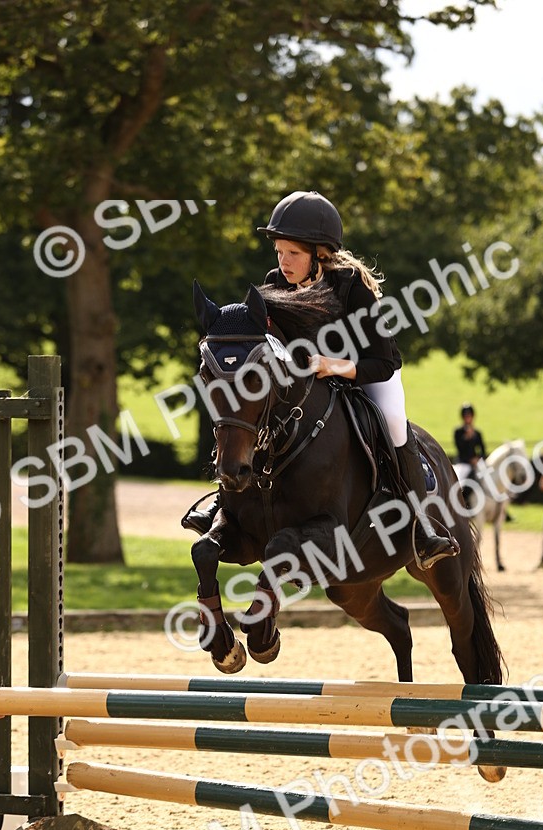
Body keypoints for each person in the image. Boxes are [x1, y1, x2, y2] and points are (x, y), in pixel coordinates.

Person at [192, 189, 457, 569]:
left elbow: (383, 362)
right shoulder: (275, 282)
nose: (283, 262)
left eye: (293, 253)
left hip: (366, 374)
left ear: (320, 253)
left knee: (394, 423)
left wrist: (335, 366)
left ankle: (422, 528)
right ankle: (224, 502)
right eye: (279, 252)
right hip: (309, 385)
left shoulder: (352, 287)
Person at [454, 405, 487, 478]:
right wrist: (466, 438)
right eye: (466, 416)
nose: (468, 418)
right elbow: (459, 448)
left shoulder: (477, 433)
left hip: (476, 464)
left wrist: (478, 459)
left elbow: (483, 450)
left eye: (469, 416)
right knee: (459, 478)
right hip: (462, 463)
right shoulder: (458, 432)